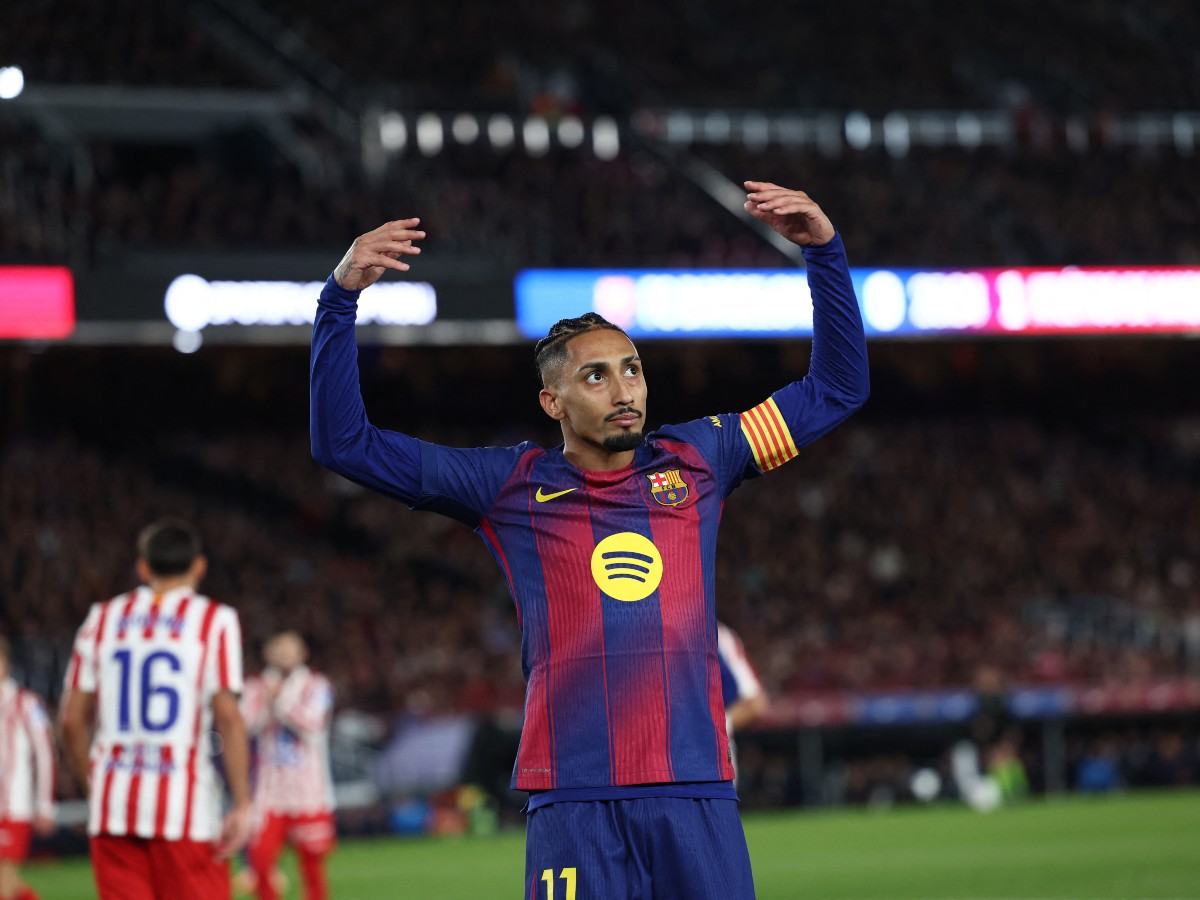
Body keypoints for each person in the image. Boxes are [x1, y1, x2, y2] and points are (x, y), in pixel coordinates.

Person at [310, 181, 868, 898]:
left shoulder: (703, 457)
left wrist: (825, 250)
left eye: (632, 369)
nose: (623, 389)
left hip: (693, 786)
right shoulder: (506, 485)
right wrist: (338, 299)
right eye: (595, 376)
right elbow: (344, 444)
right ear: (553, 402)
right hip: (572, 795)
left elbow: (837, 390)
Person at [60, 519, 253, 900]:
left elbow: (70, 720)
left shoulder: (101, 618)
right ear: (199, 566)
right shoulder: (216, 620)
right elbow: (228, 718)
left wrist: (94, 785)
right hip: (185, 806)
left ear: (143, 568)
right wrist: (243, 804)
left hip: (114, 805)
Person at [241, 631, 335, 900]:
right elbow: (247, 724)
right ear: (268, 654)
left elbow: (313, 725)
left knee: (312, 864)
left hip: (310, 792)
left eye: (290, 649)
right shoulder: (256, 686)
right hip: (269, 792)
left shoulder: (317, 685)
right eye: (278, 649)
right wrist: (267, 705)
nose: (284, 654)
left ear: (302, 653)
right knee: (260, 858)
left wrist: (280, 703)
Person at [0, 636, 56, 900]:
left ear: (7, 664)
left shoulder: (27, 703)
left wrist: (44, 804)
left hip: (14, 806)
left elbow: (45, 753)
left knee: (4, 882)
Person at [717, 621, 768, 782]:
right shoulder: (642, 631)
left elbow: (756, 703)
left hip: (711, 751)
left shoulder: (716, 634)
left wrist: (712, 729)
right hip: (652, 754)